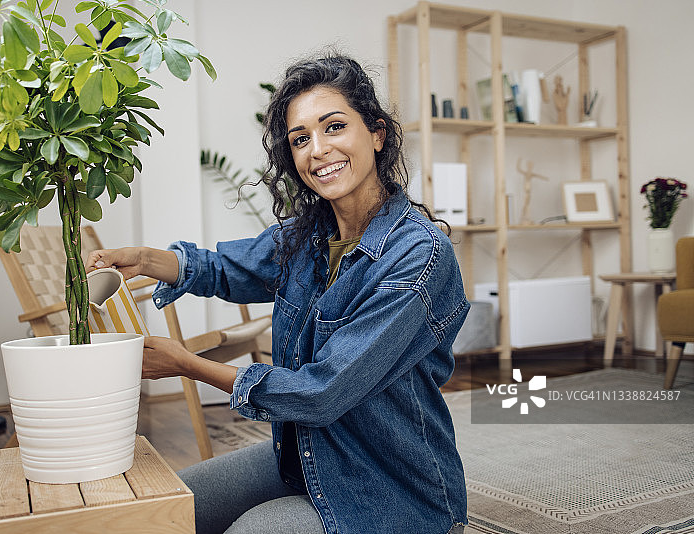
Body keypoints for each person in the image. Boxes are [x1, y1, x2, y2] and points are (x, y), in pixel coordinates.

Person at [85, 54, 469, 534]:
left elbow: (322, 393)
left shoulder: (419, 257)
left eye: (333, 127)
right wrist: (146, 259)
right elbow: (226, 267)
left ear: (377, 133)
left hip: (387, 489)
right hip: (303, 459)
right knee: (163, 512)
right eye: (300, 139)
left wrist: (185, 363)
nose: (318, 149)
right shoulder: (308, 236)